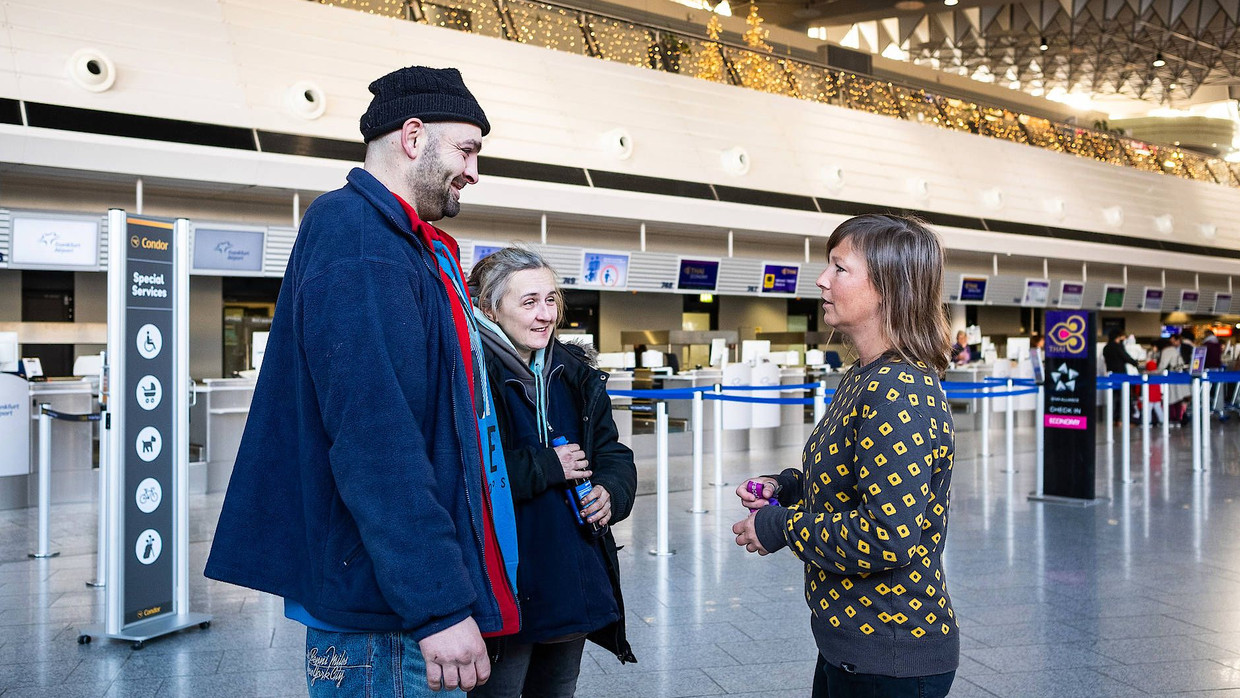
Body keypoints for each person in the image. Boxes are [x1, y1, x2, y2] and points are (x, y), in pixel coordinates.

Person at [205, 66, 520, 695]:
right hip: (385, 618)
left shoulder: (398, 240)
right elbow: (375, 437)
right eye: (466, 150)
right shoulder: (358, 235)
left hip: (388, 598)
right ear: (413, 137)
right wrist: (437, 604)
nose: (474, 171)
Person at [731, 214, 958, 697]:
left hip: (890, 652)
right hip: (850, 643)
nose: (821, 279)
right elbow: (851, 479)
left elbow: (888, 535)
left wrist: (780, 526)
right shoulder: (863, 375)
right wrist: (785, 487)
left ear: (888, 289)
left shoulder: (896, 389)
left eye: (840, 268)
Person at [467, 247, 637, 697]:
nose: (545, 315)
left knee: (558, 688)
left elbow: (612, 452)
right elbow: (463, 475)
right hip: (506, 582)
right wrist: (548, 465)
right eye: (529, 302)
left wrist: (611, 490)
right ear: (489, 309)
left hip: (570, 577)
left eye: (551, 299)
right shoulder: (466, 376)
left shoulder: (574, 372)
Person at [1102, 329, 1140, 425]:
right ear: (1118, 336)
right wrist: (1136, 363)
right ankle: (1128, 419)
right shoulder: (1118, 346)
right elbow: (1125, 357)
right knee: (1125, 396)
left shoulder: (1106, 348)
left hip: (1111, 375)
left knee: (1115, 397)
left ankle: (1116, 418)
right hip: (1121, 374)